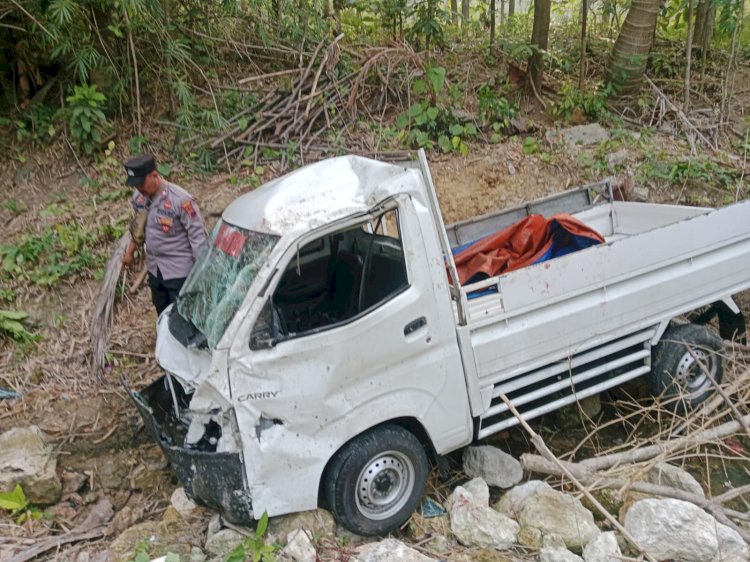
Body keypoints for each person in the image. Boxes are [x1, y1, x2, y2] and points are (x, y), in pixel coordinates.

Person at [122, 154, 207, 316]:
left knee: (184, 316)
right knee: (162, 313)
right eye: (135, 185)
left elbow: (197, 238)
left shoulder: (181, 200)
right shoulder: (139, 198)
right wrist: (129, 253)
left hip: (179, 272)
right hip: (155, 270)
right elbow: (138, 227)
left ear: (154, 175)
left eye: (141, 183)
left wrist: (200, 274)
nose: (139, 188)